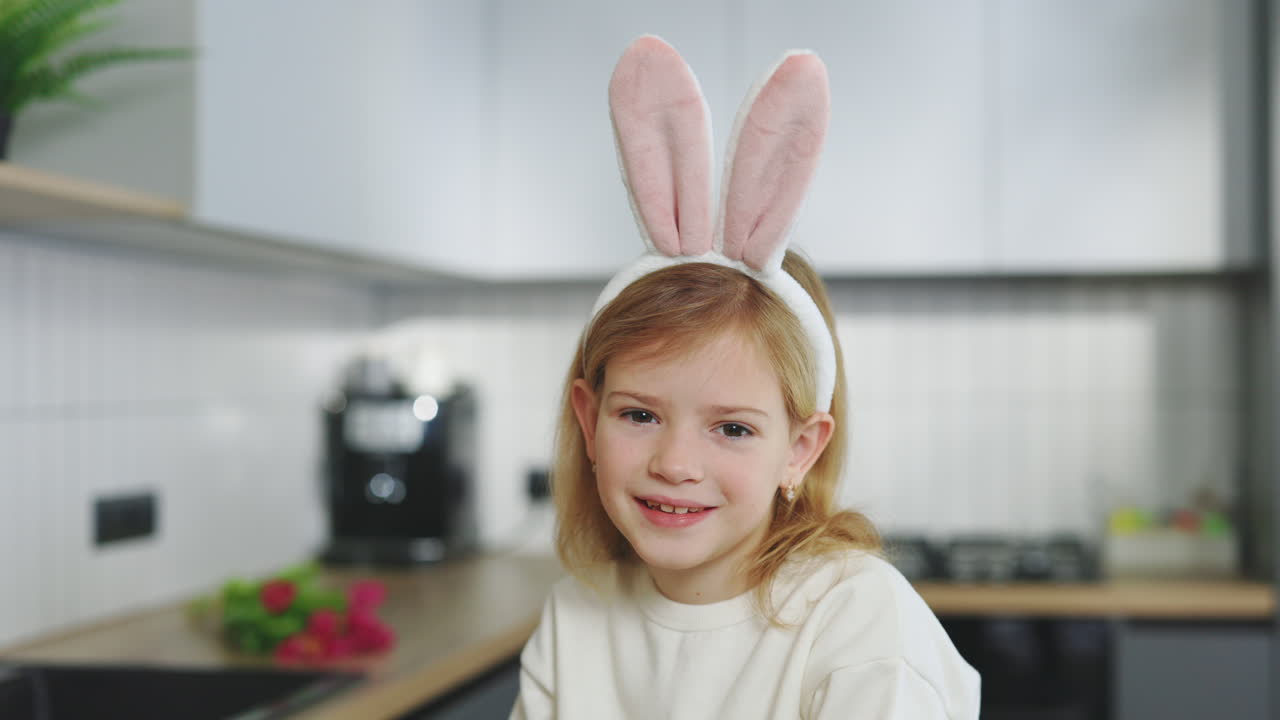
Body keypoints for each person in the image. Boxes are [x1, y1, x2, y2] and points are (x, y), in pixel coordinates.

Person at [509, 35, 980, 720]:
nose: (675, 464)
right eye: (639, 415)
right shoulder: (575, 616)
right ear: (588, 419)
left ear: (800, 449)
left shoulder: (860, 620)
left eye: (732, 428)